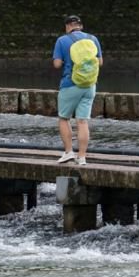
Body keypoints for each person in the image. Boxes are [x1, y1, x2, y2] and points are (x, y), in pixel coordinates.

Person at [52, 14, 102, 166]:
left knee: (64, 118)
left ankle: (68, 152)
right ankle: (82, 157)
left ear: (67, 26)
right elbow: (99, 62)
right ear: (81, 25)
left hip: (70, 84)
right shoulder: (93, 39)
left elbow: (57, 64)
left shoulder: (62, 40)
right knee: (82, 121)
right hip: (90, 85)